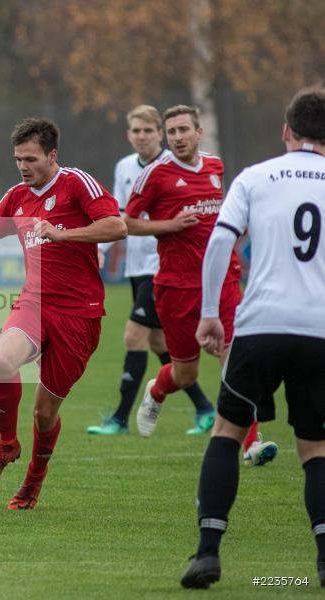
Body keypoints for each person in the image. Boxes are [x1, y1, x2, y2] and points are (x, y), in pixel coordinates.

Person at [180, 86, 325, 589]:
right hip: (320, 332)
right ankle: (324, 563)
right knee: (315, 449)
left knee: (227, 432)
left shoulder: (255, 177)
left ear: (286, 132)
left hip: (260, 326)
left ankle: (206, 555)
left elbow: (221, 241)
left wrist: (208, 314)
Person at [0, 118, 126, 510]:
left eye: (30, 159)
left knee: (44, 411)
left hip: (79, 314)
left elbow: (117, 226)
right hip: (34, 302)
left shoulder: (77, 184)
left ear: (52, 156)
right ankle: (6, 446)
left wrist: (63, 234)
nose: (23, 167)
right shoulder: (16, 196)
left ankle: (33, 482)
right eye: (18, 159)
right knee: (3, 362)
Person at [125, 105, 277, 465]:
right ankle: (158, 389)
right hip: (176, 288)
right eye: (172, 131)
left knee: (234, 358)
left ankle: (251, 444)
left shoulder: (214, 167)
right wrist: (169, 226)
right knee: (185, 372)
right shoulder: (156, 175)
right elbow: (127, 222)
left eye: (183, 130)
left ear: (199, 132)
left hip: (222, 280)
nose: (177, 137)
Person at [88, 105, 215, 436]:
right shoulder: (124, 167)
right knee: (159, 342)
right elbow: (116, 215)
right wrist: (100, 250)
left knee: (134, 335)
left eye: (149, 131)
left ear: (160, 133)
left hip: (164, 267)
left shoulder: (173, 166)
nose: (142, 137)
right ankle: (205, 408)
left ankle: (119, 419)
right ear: (128, 135)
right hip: (137, 266)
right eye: (136, 131)